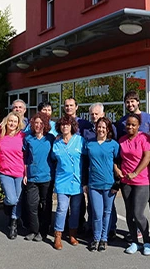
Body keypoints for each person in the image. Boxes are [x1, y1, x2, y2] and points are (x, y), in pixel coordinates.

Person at [115, 90, 150, 244]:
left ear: (138, 102)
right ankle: (136, 233)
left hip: (146, 168)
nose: (130, 104)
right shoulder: (123, 121)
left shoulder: (149, 119)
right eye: (127, 102)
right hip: (129, 171)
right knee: (133, 208)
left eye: (132, 101)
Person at [115, 113, 150, 256]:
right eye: (128, 124)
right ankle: (134, 243)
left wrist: (136, 173)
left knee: (138, 214)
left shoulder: (144, 138)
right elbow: (117, 159)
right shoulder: (122, 140)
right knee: (129, 214)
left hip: (142, 181)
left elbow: (147, 157)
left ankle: (147, 242)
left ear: (138, 126)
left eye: (133, 124)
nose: (130, 127)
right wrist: (117, 169)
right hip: (126, 181)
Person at [83, 117, 119, 252]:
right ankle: (96, 238)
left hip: (109, 184)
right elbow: (85, 164)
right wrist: (85, 183)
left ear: (108, 129)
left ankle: (104, 239)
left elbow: (118, 164)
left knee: (107, 213)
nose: (101, 129)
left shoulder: (114, 145)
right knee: (97, 213)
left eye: (104, 127)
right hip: (94, 184)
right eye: (99, 127)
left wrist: (117, 183)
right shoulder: (89, 144)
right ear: (96, 128)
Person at [51, 114, 85, 250]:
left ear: (72, 126)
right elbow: (53, 159)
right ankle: (58, 235)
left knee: (76, 209)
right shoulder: (56, 142)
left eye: (68, 124)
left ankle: (72, 233)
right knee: (62, 208)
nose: (65, 127)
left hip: (77, 180)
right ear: (59, 127)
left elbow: (87, 159)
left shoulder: (80, 141)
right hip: (62, 180)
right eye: (63, 124)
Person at [23, 112, 56, 242]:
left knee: (46, 204)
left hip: (47, 177)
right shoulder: (28, 139)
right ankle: (33, 230)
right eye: (36, 123)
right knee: (32, 204)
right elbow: (25, 158)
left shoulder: (50, 139)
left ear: (45, 125)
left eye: (41, 123)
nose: (38, 125)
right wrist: (25, 174)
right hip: (32, 176)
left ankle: (43, 230)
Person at [0, 111, 26, 240]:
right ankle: (6, 204)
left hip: (19, 172)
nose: (12, 123)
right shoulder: (0, 135)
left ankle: (13, 224)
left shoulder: (22, 136)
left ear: (18, 123)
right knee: (11, 199)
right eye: (10, 121)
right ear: (6, 122)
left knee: (18, 199)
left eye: (15, 121)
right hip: (5, 172)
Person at [63, 97, 91, 231]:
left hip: (82, 162)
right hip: (66, 166)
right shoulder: (61, 123)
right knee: (67, 196)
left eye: (71, 105)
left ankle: (80, 222)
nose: (69, 108)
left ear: (76, 107)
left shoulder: (84, 124)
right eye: (66, 105)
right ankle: (70, 223)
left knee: (80, 194)